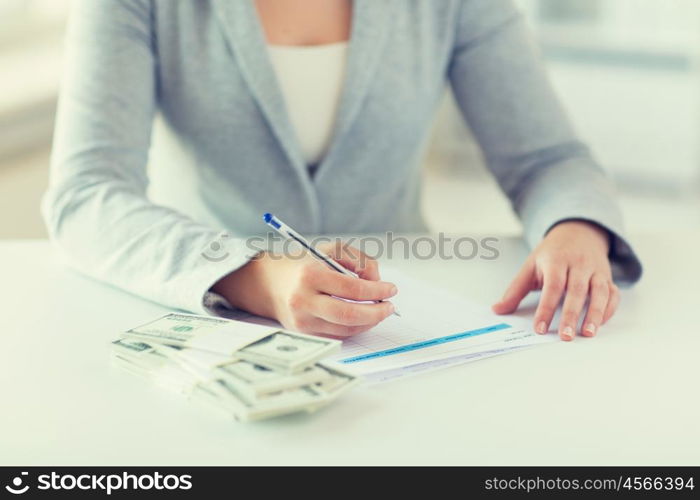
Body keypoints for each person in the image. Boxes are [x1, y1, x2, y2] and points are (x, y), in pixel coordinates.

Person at [43, 0, 642, 341]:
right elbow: (86, 192)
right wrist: (256, 277)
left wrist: (574, 229)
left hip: (406, 325)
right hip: (209, 318)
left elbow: (548, 158)